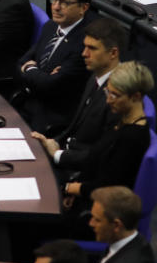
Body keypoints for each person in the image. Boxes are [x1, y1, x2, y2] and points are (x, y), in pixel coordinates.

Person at [53, 61, 153, 211]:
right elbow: (95, 161)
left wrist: (68, 188)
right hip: (82, 189)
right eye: (108, 92)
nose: (108, 100)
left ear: (135, 97)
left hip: (98, 209)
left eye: (114, 95)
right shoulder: (121, 120)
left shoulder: (133, 138)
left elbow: (106, 186)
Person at [31, 17, 126, 152]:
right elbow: (73, 129)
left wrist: (58, 155)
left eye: (92, 48)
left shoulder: (119, 97)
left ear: (113, 53)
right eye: (85, 46)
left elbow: (101, 154)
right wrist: (53, 143)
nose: (84, 54)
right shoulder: (95, 75)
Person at [14, 0, 93, 132]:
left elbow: (51, 85)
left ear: (83, 8)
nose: (56, 7)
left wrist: (30, 69)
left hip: (50, 120)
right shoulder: (51, 26)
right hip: (26, 103)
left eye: (64, 2)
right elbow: (20, 63)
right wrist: (40, 75)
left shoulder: (85, 44)